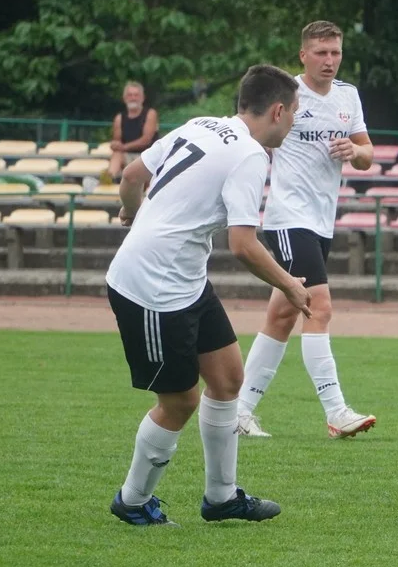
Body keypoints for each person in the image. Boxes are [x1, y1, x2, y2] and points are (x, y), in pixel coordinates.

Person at [105, 64, 312, 526]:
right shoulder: (250, 156)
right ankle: (132, 500)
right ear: (278, 110)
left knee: (228, 380)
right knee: (180, 401)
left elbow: (132, 176)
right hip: (152, 288)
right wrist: (290, 285)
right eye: (295, 113)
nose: (294, 122)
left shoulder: (201, 124)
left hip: (186, 281)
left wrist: (136, 216)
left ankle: (220, 498)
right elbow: (243, 245)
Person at [236, 21, 377, 440]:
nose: (329, 60)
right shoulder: (287, 96)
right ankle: (336, 411)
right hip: (287, 217)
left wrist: (356, 151)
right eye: (320, 52)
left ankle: (238, 411)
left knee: (282, 314)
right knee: (320, 306)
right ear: (303, 56)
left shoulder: (348, 96)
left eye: (335, 52)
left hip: (321, 220)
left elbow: (367, 155)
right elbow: (250, 134)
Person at [107, 82, 160, 181]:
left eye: (136, 95)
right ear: (124, 98)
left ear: (142, 98)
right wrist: (114, 144)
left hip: (147, 156)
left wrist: (123, 147)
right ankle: (107, 182)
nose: (133, 98)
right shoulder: (119, 118)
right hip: (126, 155)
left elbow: (146, 140)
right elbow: (117, 140)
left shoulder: (150, 114)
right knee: (116, 154)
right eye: (130, 95)